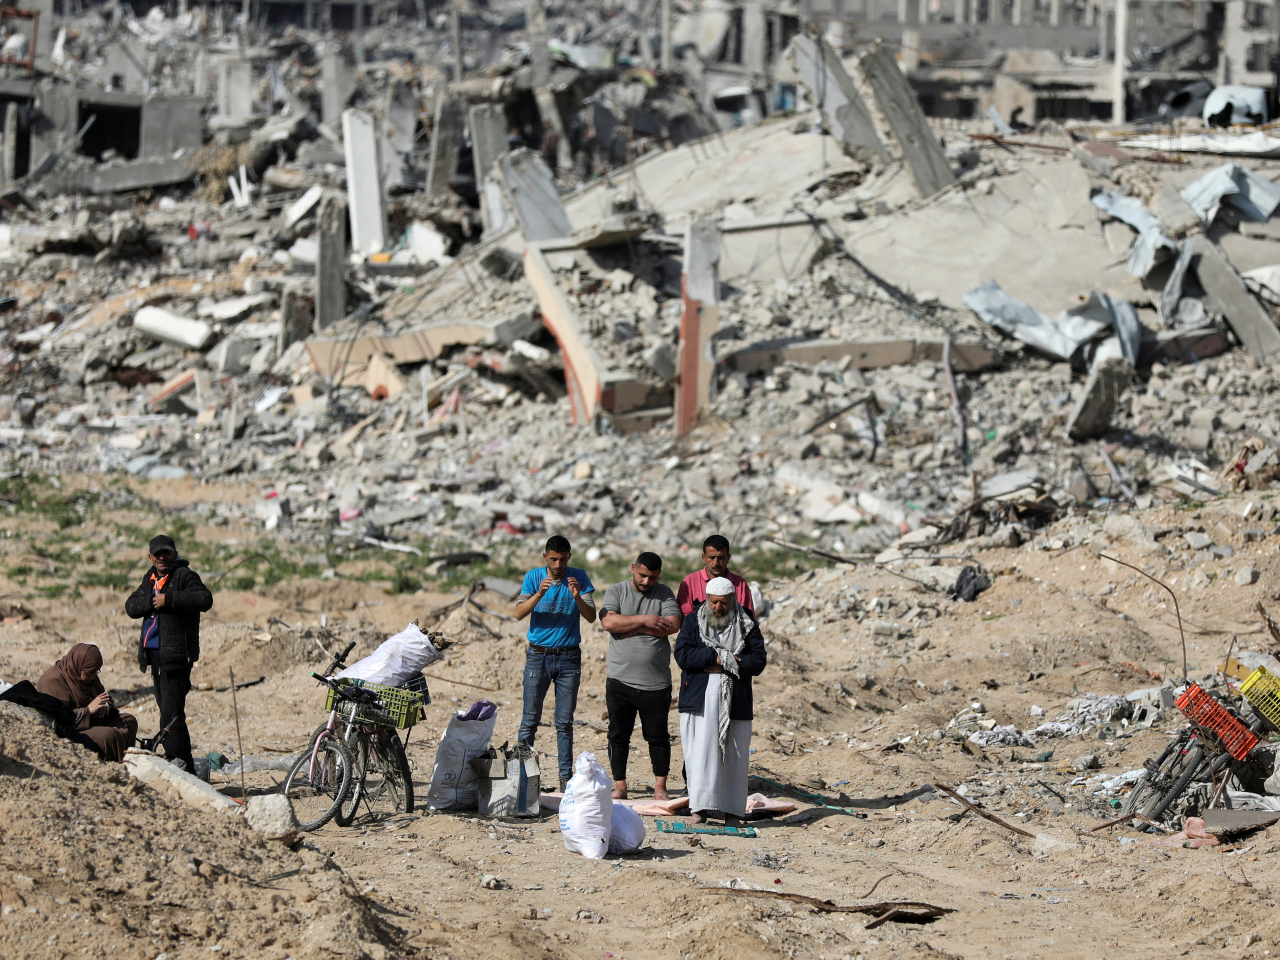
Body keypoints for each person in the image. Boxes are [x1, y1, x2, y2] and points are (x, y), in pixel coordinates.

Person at [674, 577, 767, 825]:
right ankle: (699, 810)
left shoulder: (747, 624)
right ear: (707, 599)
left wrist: (732, 663)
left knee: (734, 759)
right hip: (699, 701)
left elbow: (758, 661)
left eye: (723, 603)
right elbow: (682, 655)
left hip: (735, 703)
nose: (717, 607)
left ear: (732, 600)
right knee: (699, 756)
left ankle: (734, 813)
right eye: (713, 602)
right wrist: (715, 658)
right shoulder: (693, 621)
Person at [125, 534, 213, 773]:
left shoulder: (185, 576)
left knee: (170, 716)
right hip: (155, 658)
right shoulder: (150, 578)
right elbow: (131, 606)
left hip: (176, 657)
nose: (163, 558)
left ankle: (178, 762)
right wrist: (152, 601)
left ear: (174, 554)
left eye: (167, 553)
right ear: (151, 557)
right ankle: (186, 766)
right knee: (170, 712)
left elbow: (204, 599)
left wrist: (170, 599)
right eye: (158, 554)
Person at [514, 535, 596, 791]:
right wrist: (539, 593)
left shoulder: (579, 577)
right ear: (545, 557)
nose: (558, 564)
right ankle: (520, 778)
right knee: (530, 718)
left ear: (569, 557)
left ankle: (565, 780)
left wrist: (577, 596)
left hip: (569, 657)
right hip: (538, 656)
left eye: (562, 559)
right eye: (553, 559)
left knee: (564, 722)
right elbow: (518, 613)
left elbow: (592, 617)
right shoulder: (534, 577)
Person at [599, 552, 682, 801]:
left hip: (656, 683)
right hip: (620, 680)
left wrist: (630, 626)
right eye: (642, 575)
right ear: (633, 568)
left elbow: (673, 624)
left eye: (652, 578)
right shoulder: (616, 591)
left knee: (658, 737)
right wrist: (647, 621)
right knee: (618, 735)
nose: (646, 582)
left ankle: (660, 788)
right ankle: (621, 786)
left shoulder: (665, 593)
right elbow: (608, 623)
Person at [36, 643, 138, 762]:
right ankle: (115, 767)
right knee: (110, 735)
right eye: (89, 673)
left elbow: (103, 696)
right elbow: (58, 720)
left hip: (91, 722)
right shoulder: (53, 681)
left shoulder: (89, 674)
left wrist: (105, 706)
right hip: (71, 731)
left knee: (129, 721)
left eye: (96, 672)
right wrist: (88, 711)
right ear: (78, 666)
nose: (93, 677)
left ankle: (131, 762)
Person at [676, 535, 755, 617]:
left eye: (721, 558)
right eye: (712, 557)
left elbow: (747, 618)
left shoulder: (740, 584)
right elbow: (685, 619)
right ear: (704, 558)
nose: (716, 563)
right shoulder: (690, 582)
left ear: (728, 558)